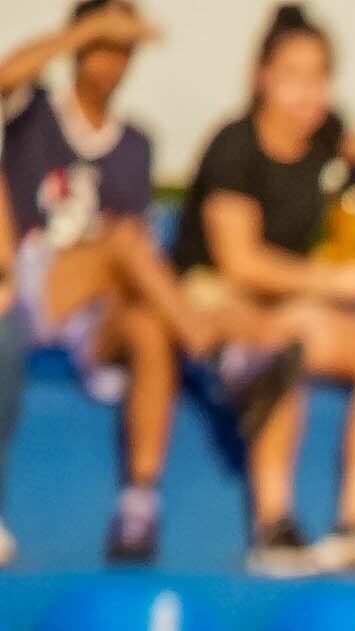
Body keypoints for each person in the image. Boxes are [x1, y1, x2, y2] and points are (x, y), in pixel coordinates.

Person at [168, 1, 355, 575]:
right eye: (293, 76)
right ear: (262, 78)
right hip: (214, 304)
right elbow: (238, 263)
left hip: (291, 306)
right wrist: (334, 282)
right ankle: (274, 525)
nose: (307, 92)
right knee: (280, 343)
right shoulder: (234, 147)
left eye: (319, 77)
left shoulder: (327, 136)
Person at [3, 2, 207, 565]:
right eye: (102, 47)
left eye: (123, 49)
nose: (112, 62)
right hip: (29, 290)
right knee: (123, 241)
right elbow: (5, 75)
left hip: (92, 313)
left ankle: (140, 501)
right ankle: (209, 348)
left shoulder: (136, 143)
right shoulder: (33, 113)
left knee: (147, 328)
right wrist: (86, 30)